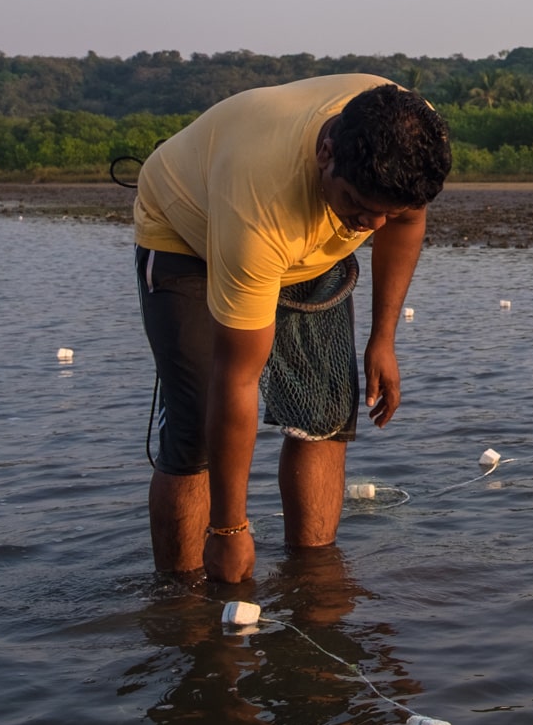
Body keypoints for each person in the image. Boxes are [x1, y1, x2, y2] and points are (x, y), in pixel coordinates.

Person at [133, 75, 451, 583]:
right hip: (187, 236)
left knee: (324, 414)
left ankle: (313, 581)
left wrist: (383, 338)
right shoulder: (258, 206)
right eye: (357, 204)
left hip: (305, 241)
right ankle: (182, 603)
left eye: (383, 212)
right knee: (195, 430)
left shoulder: (412, 142)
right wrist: (230, 531)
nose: (370, 225)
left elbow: (407, 220)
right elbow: (236, 381)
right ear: (326, 152)